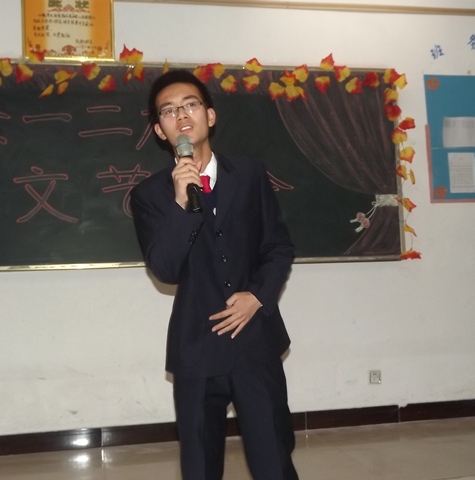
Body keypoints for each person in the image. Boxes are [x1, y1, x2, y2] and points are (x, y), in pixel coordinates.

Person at [130, 69, 299, 480]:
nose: (181, 115)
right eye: (168, 111)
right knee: (200, 466)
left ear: (209, 115)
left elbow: (278, 247)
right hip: (197, 350)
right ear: (160, 130)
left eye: (190, 105)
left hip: (255, 343)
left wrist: (257, 296)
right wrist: (180, 205)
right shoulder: (149, 196)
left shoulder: (251, 174)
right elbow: (166, 269)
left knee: (274, 461)